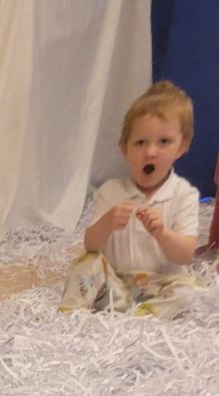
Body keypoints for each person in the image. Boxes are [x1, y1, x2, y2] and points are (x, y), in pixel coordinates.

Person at [61, 81, 200, 318]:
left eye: (164, 142)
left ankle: (147, 314)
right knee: (85, 264)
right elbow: (91, 246)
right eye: (140, 143)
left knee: (190, 292)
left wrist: (162, 233)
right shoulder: (111, 191)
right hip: (116, 284)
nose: (150, 152)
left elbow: (185, 255)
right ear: (125, 148)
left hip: (163, 284)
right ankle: (72, 312)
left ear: (181, 146)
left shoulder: (184, 194)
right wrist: (107, 222)